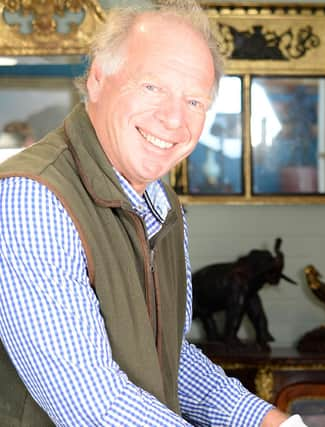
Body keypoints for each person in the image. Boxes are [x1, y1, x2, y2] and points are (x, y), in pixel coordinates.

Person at [0, 1, 306, 426]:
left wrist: (273, 423)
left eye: (195, 101)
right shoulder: (33, 197)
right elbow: (90, 402)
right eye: (152, 87)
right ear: (97, 79)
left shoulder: (162, 205)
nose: (174, 119)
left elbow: (170, 359)